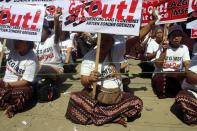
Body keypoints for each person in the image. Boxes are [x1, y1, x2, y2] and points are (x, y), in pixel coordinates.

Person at [65, 34, 143, 127]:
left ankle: (102, 116)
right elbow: (83, 81)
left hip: (117, 98)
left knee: (137, 103)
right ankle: (114, 117)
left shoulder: (116, 51)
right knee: (75, 99)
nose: (104, 43)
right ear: (97, 40)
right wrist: (89, 79)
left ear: (112, 43)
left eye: (107, 41)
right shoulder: (88, 57)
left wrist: (151, 23)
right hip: (96, 98)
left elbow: (136, 38)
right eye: (102, 40)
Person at [0, 40, 38, 118]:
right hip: (5, 83)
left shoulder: (32, 59)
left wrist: (8, 85)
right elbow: (2, 36)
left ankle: (10, 106)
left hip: (17, 87)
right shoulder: (13, 46)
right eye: (16, 40)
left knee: (25, 92)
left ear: (27, 43)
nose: (16, 43)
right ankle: (6, 102)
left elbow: (26, 81)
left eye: (20, 41)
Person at [152, 25, 190, 98]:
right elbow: (158, 65)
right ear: (169, 37)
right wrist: (164, 50)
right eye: (174, 35)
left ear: (181, 37)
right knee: (162, 79)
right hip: (162, 75)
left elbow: (187, 63)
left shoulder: (184, 48)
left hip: (176, 75)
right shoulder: (163, 46)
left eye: (179, 36)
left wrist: (188, 72)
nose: (176, 38)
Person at [172, 55, 197, 125]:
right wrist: (185, 72)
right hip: (193, 92)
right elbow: (191, 77)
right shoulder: (195, 58)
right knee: (182, 97)